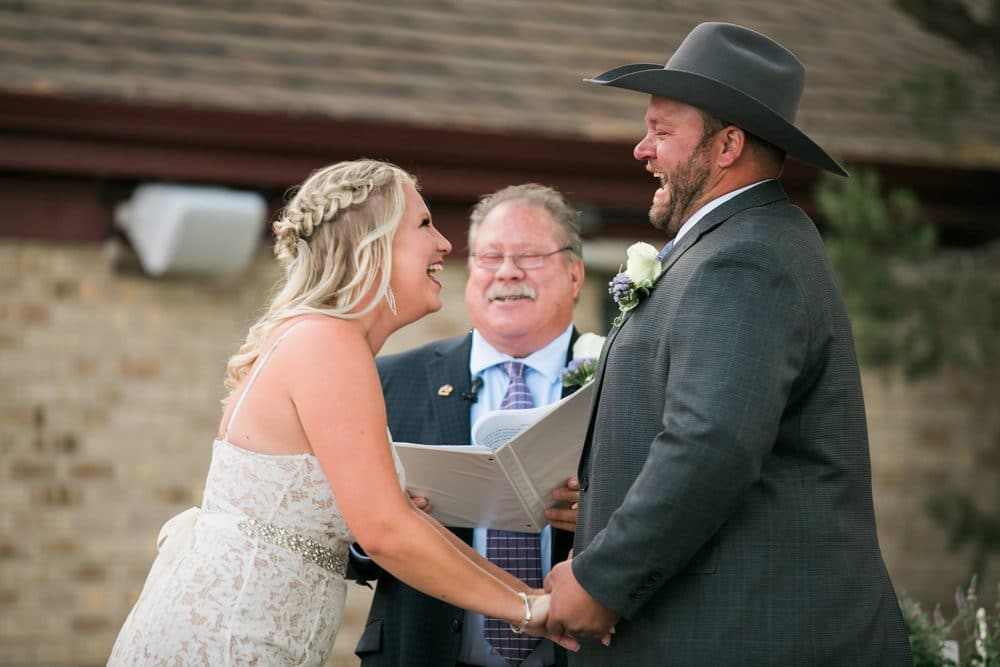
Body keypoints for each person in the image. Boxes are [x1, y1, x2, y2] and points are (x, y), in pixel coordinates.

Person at [543, 22, 913, 666]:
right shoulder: (739, 244)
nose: (641, 149)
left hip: (744, 636)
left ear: (726, 147)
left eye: (662, 131)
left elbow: (712, 443)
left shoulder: (745, 259)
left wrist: (602, 580)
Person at [108, 160, 576, 665]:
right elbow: (386, 532)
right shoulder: (328, 343)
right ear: (371, 246)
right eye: (423, 224)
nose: (445, 244)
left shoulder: (322, 338)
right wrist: (529, 609)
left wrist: (531, 601)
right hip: (231, 638)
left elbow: (396, 523)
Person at [351, 183, 589, 667]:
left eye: (529, 256)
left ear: (574, 274)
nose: (507, 272)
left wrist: (603, 517)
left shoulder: (618, 380)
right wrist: (374, 526)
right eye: (489, 256)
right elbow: (346, 542)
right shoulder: (387, 379)